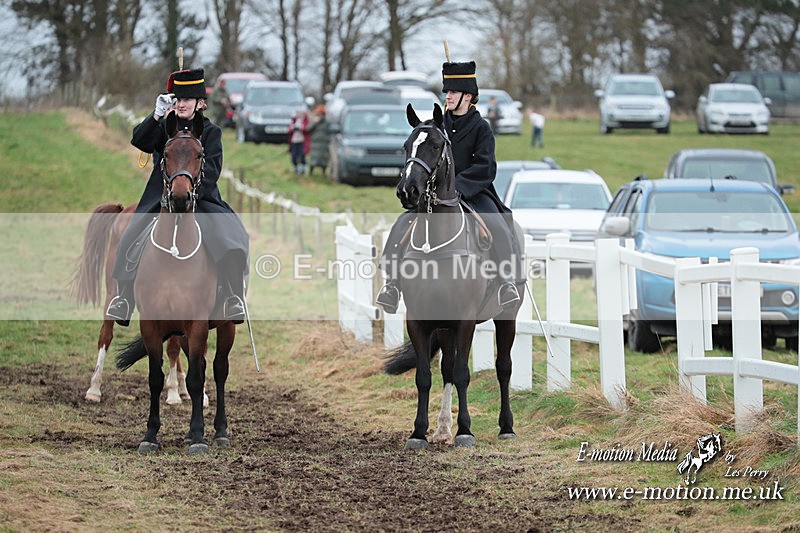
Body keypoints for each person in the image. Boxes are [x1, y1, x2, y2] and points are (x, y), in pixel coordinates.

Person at [375, 60, 523, 314]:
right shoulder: (437, 125)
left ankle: (507, 283)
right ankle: (392, 285)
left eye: (453, 92)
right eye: (447, 92)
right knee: (402, 223)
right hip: (436, 196)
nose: (448, 96)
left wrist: (459, 187)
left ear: (468, 96)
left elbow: (486, 168)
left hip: (474, 193)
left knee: (498, 224)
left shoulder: (481, 128)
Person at [106, 68, 249, 326]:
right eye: (177, 99)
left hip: (201, 197)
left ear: (200, 103)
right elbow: (139, 140)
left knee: (232, 238)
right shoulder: (164, 126)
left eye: (186, 99)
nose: (181, 104)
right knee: (129, 236)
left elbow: (213, 170)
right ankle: (124, 298)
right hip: (160, 196)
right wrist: (156, 115)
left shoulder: (211, 131)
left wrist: (189, 194)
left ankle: (232, 296)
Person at [307, 104, 330, 176]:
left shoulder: (327, 123)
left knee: (323, 159)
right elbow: (308, 129)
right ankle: (311, 172)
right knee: (314, 158)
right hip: (315, 143)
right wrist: (314, 123)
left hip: (323, 143)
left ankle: (323, 173)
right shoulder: (315, 122)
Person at [288, 108, 310, 174]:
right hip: (294, 141)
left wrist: (301, 128)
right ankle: (295, 168)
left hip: (302, 141)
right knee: (294, 155)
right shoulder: (293, 121)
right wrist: (292, 128)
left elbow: (307, 129)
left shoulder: (306, 121)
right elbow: (289, 129)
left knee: (302, 155)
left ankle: (303, 169)